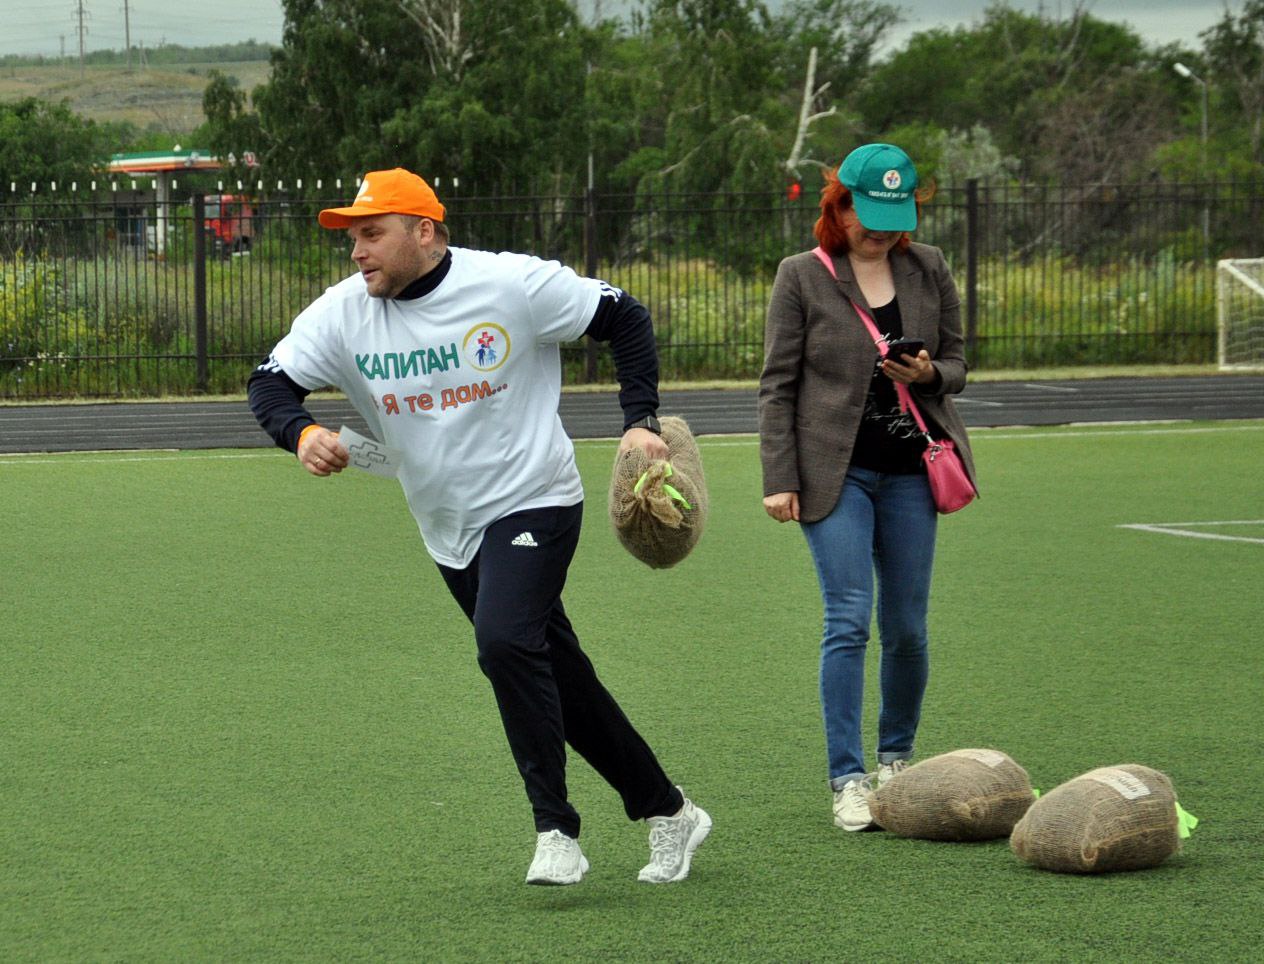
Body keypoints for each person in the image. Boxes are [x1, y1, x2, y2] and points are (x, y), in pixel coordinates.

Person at [247, 168, 710, 885]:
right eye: (351, 238)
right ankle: (669, 808)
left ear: (423, 232)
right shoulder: (343, 312)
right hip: (447, 524)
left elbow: (625, 316)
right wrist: (300, 432)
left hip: (536, 498)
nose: (356, 251)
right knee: (557, 675)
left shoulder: (511, 285)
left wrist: (640, 423)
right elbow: (270, 381)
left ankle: (556, 829)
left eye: (371, 234)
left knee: (503, 643)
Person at [757, 144, 977, 832]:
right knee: (849, 619)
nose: (881, 231)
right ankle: (848, 778)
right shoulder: (801, 276)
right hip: (835, 473)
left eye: (894, 216)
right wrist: (779, 478)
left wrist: (928, 376)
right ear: (839, 205)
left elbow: (960, 361)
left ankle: (896, 761)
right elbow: (778, 385)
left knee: (907, 626)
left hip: (915, 469)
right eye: (868, 216)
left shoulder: (929, 266)